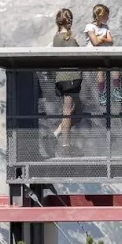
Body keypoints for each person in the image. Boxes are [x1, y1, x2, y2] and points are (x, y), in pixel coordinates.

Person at [50, 8, 82, 147]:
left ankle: (58, 132)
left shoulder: (56, 38)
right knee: (68, 111)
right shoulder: (70, 39)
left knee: (77, 110)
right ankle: (65, 144)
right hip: (71, 77)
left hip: (60, 78)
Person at [83, 3, 122, 106]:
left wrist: (101, 38)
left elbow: (111, 41)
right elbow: (95, 42)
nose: (108, 18)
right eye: (106, 15)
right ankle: (102, 93)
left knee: (115, 69)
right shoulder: (90, 27)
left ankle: (117, 90)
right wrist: (102, 40)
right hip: (95, 55)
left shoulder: (106, 27)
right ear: (100, 16)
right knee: (100, 71)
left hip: (105, 54)